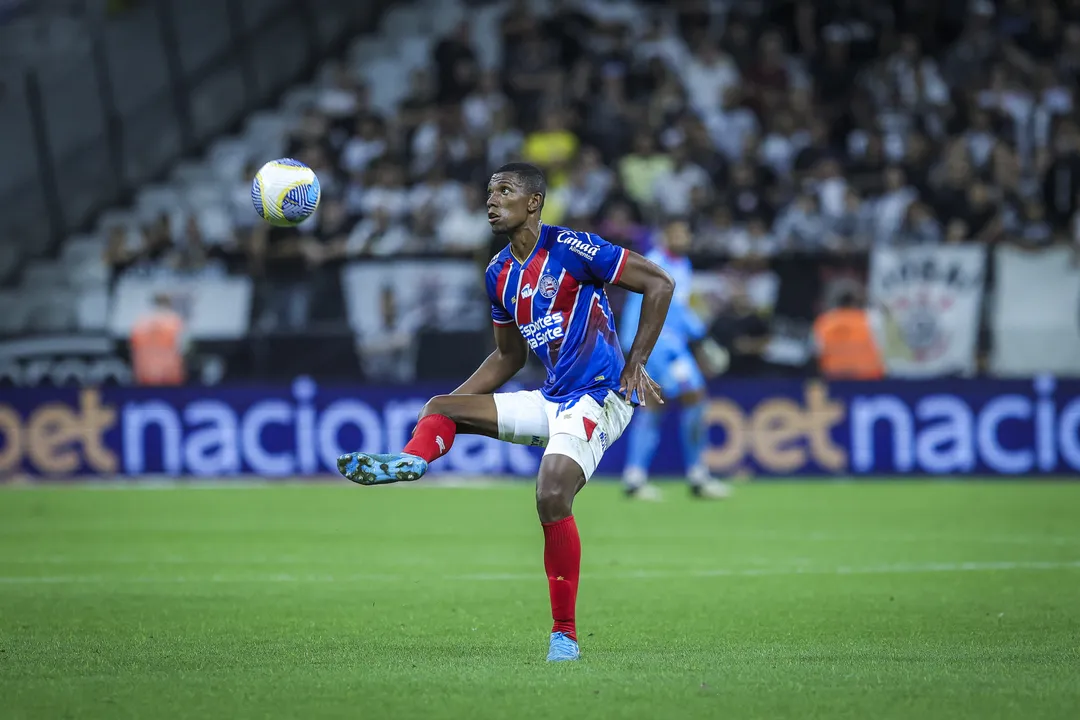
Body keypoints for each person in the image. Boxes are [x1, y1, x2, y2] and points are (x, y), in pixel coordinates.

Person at [337, 162, 675, 662]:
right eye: (489, 191)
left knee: (551, 492)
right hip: (552, 397)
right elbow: (508, 358)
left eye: (505, 191)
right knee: (440, 407)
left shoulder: (573, 248)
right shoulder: (498, 273)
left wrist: (636, 364)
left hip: (599, 395)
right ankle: (413, 460)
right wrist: (453, 409)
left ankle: (565, 634)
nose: (492, 200)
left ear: (533, 202)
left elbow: (660, 283)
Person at [619, 219, 732, 501]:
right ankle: (697, 475)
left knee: (656, 407)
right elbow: (640, 307)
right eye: (677, 233)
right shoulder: (653, 264)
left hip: (673, 344)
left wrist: (700, 336)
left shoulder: (683, 265)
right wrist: (632, 348)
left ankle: (635, 477)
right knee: (694, 395)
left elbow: (677, 310)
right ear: (664, 236)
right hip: (657, 345)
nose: (682, 238)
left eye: (686, 233)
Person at [129, 293, 187, 386]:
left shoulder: (140, 321)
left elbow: (133, 347)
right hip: (169, 374)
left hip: (145, 372)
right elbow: (182, 347)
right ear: (168, 304)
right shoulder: (174, 320)